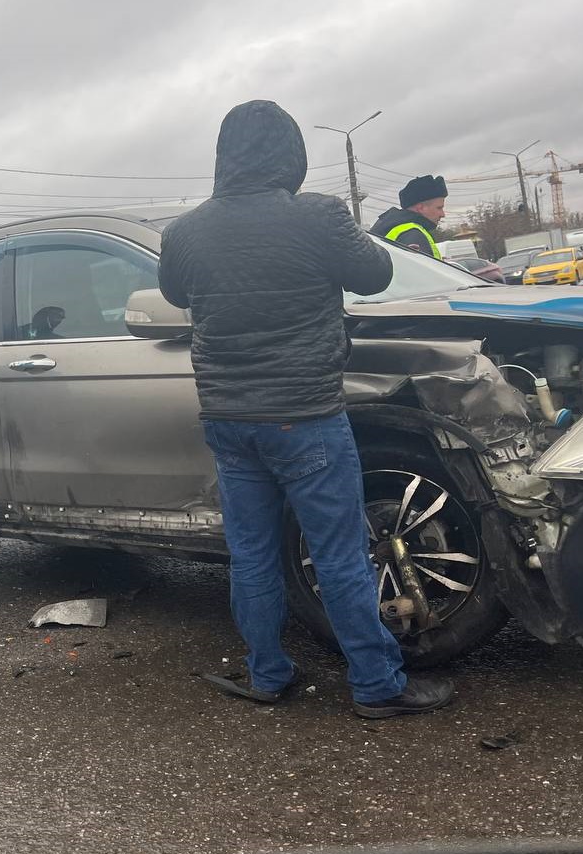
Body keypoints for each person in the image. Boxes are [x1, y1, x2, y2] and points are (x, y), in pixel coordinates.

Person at [158, 100, 454, 718]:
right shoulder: (320, 216)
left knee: (253, 554)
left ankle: (268, 675)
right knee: (342, 553)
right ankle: (376, 685)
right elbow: (374, 275)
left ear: (224, 156)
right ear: (291, 155)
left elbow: (175, 293)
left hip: (229, 421)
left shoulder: (183, 233)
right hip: (307, 415)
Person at [368, 175, 448, 258]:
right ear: (420, 208)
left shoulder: (391, 226)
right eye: (439, 208)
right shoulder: (412, 235)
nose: (443, 214)